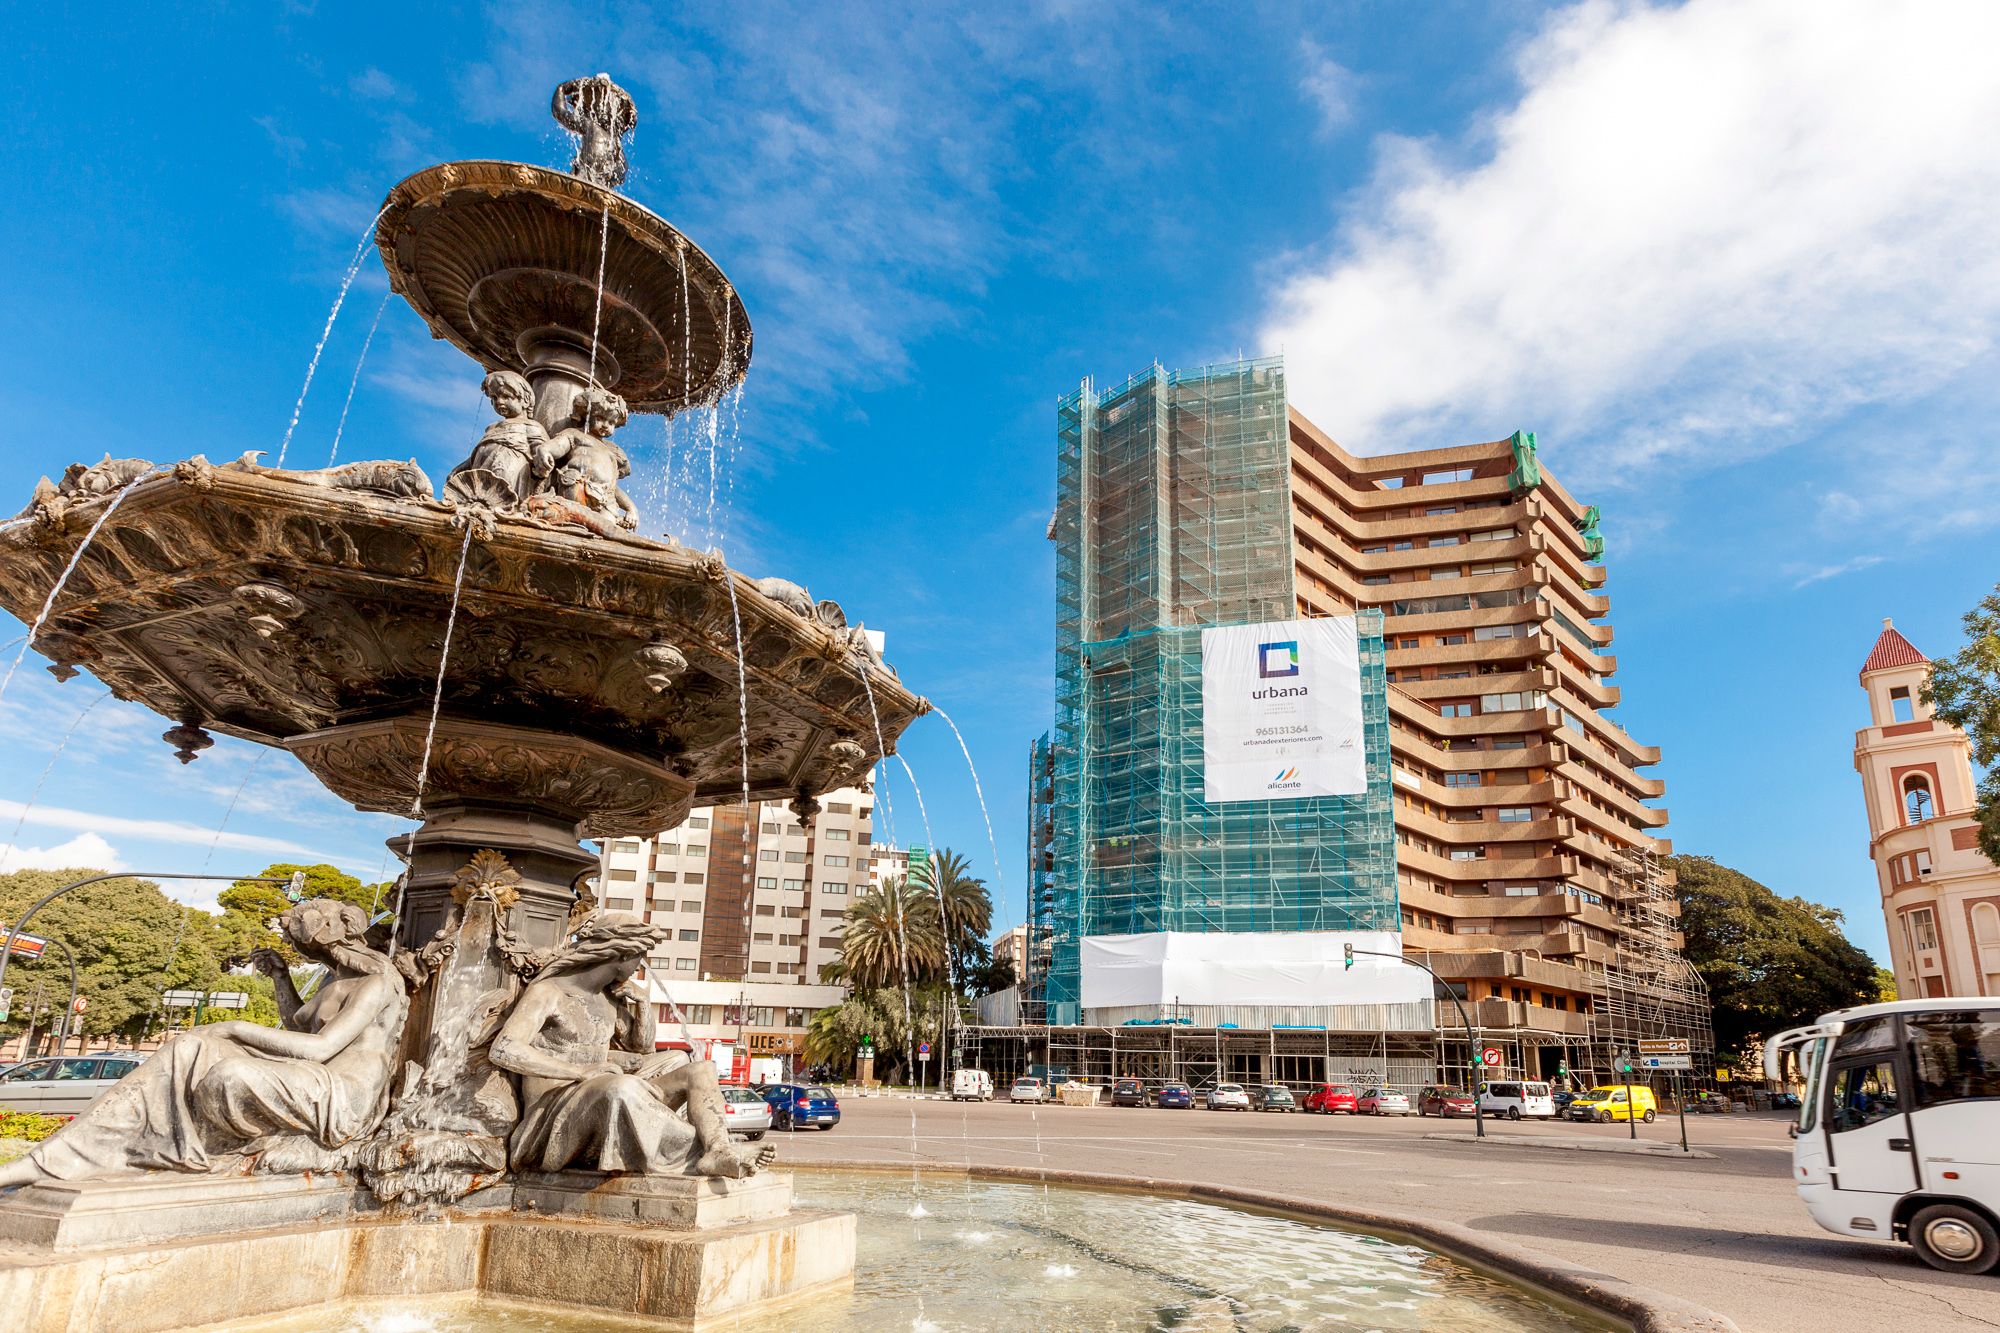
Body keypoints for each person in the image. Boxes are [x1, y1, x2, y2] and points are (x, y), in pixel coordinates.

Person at [0, 900, 407, 1189]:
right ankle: (56, 1159)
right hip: (311, 1074)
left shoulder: (378, 980)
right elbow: (297, 1028)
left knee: (231, 1072)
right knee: (190, 1047)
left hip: (345, 1093)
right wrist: (281, 978)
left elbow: (319, 1048)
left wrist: (235, 1026)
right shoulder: (332, 980)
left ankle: (184, 1152)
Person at [489, 911, 772, 1179]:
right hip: (554, 1110)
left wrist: (644, 1005)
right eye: (639, 956)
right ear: (622, 954)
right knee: (622, 1086)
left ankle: (718, 1149)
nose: (640, 965)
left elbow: (642, 1049)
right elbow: (504, 1048)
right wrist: (580, 1072)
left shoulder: (608, 998)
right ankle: (692, 1151)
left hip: (601, 1087)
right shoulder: (549, 992)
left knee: (698, 1068)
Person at [534, 388, 640, 530]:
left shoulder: (611, 453)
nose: (605, 425)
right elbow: (560, 445)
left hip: (605, 500)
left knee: (606, 530)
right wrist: (545, 450)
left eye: (611, 422)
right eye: (600, 418)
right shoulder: (576, 434)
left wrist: (631, 508)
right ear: (587, 415)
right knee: (574, 523)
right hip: (577, 485)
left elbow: (613, 488)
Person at [444, 370, 550, 511]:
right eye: (494, 397)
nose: (499, 402)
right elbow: (479, 452)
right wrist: (461, 468)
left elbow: (540, 449)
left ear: (525, 400)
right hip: (481, 474)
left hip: (510, 474)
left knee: (505, 506)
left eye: (506, 396)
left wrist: (543, 460)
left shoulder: (531, 426)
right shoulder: (492, 427)